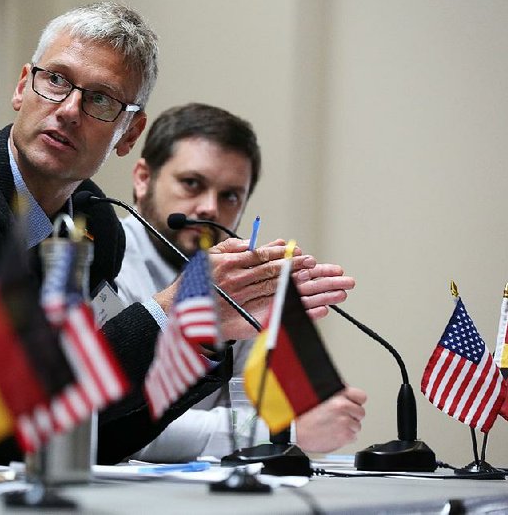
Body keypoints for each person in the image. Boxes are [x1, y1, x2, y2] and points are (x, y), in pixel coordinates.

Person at [0, 2, 341, 464]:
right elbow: (14, 414)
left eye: (101, 99)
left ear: (129, 133)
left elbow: (97, 425)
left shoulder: (94, 221)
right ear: (22, 87)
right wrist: (171, 310)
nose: (68, 109)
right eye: (56, 80)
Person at [116, 103, 367, 461]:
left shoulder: (239, 283)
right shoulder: (102, 263)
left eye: (230, 195)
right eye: (191, 183)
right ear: (143, 179)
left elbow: (248, 406)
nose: (209, 209)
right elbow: (113, 425)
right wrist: (283, 430)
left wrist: (315, 412)